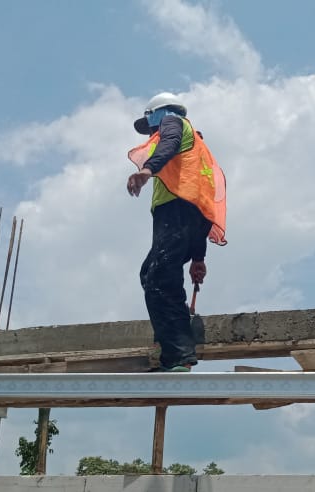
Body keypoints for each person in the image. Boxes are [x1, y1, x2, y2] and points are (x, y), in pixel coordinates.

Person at [127, 92, 227, 372]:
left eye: (150, 123)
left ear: (157, 113)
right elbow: (203, 203)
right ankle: (171, 345)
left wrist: (147, 170)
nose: (152, 132)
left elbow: (167, 142)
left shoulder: (173, 122)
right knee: (154, 274)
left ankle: (178, 354)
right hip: (191, 214)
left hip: (175, 211)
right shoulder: (196, 145)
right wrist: (198, 257)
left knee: (158, 277)